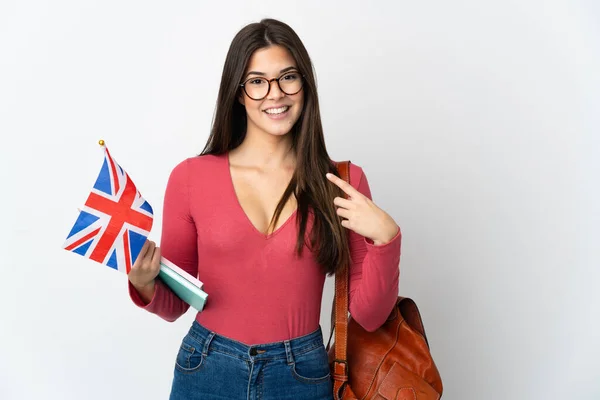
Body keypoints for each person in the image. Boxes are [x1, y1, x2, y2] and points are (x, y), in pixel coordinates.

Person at [127, 18, 402, 400]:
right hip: (206, 367)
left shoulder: (342, 181)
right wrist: (144, 284)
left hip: (301, 375)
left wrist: (386, 239)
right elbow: (177, 303)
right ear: (238, 93)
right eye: (257, 81)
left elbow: (369, 317)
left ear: (305, 85)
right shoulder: (190, 178)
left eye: (288, 77)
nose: (275, 94)